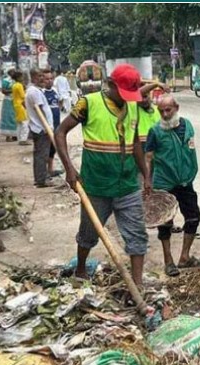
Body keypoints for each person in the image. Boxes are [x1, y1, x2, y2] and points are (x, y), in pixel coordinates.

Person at [54, 63, 152, 287]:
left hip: (127, 184)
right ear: (110, 85)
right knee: (88, 233)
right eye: (123, 93)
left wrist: (145, 175)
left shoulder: (133, 105)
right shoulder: (88, 103)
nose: (127, 98)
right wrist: (69, 169)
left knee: (137, 235)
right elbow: (60, 132)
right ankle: (81, 270)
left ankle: (137, 286)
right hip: (96, 184)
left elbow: (135, 143)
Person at [145, 95, 200, 276]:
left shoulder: (188, 126)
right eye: (161, 111)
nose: (165, 114)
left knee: (193, 217)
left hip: (185, 181)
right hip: (164, 182)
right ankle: (168, 261)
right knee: (165, 223)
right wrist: (147, 180)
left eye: (168, 110)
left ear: (176, 107)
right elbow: (148, 157)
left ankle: (184, 257)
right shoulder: (155, 131)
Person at [25, 68, 55, 188]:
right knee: (42, 155)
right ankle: (42, 180)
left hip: (39, 127)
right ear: (33, 77)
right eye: (39, 76)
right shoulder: (34, 92)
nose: (42, 78)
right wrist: (48, 127)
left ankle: (40, 178)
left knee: (40, 154)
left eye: (43, 76)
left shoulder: (34, 91)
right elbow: (40, 111)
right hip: (41, 128)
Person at [43, 70, 64, 178]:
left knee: (53, 147)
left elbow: (60, 102)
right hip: (45, 126)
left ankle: (50, 169)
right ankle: (44, 171)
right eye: (47, 79)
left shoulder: (55, 91)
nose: (49, 81)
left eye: (51, 78)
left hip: (56, 124)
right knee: (45, 148)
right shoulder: (41, 93)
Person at [0, 69, 18, 141]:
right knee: (8, 118)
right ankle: (8, 136)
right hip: (8, 101)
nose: (14, 73)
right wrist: (13, 90)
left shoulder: (16, 81)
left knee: (16, 117)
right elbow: (3, 91)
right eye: (13, 72)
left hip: (15, 100)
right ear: (9, 73)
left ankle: (15, 135)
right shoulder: (6, 80)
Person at [11, 70, 29, 145]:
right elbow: (23, 96)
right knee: (25, 123)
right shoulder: (19, 85)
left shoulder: (14, 85)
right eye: (21, 76)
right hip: (21, 105)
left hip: (16, 105)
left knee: (19, 123)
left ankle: (19, 138)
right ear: (18, 77)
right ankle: (23, 139)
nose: (23, 78)